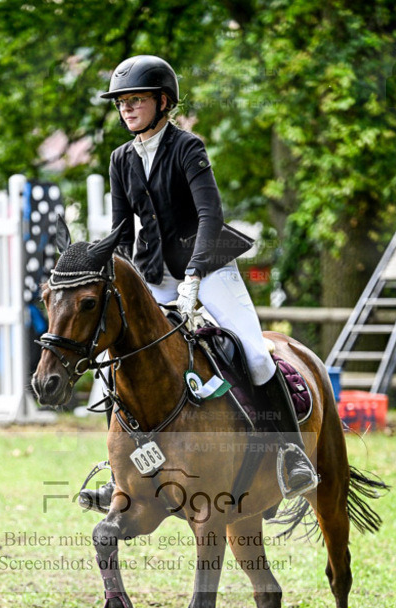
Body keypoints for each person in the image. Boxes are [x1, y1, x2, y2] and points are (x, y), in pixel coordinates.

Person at [79, 54, 318, 512]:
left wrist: (193, 275)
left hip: (208, 268)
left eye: (136, 100)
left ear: (162, 101)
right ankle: (118, 474)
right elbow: (122, 233)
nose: (127, 108)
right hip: (153, 273)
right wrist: (97, 264)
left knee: (254, 352)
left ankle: (290, 456)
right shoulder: (120, 159)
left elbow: (211, 216)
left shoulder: (187, 147)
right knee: (117, 366)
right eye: (121, 102)